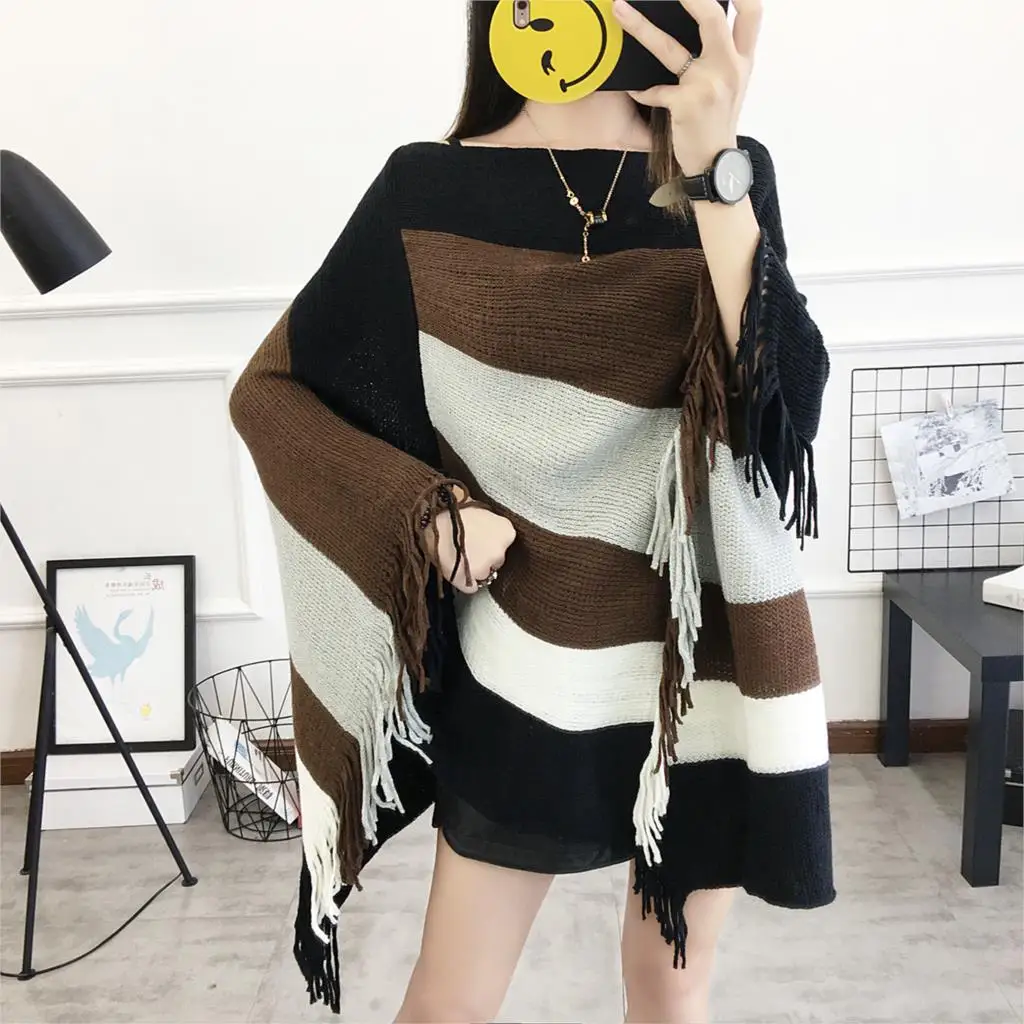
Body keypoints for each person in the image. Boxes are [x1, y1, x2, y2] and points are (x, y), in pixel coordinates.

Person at [229, 1, 836, 1021]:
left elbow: (785, 413)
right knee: (451, 1003)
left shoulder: (731, 171)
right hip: (526, 669)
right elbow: (273, 393)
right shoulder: (429, 190)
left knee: (669, 992)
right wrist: (425, 513)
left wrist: (714, 166)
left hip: (703, 663)